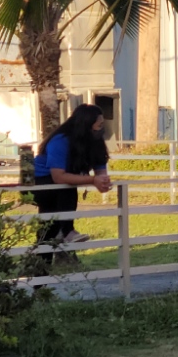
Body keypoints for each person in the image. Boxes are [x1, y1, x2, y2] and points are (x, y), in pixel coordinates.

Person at [30, 104, 111, 257]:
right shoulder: (60, 141)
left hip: (59, 186)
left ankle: (39, 272)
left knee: (48, 230)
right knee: (66, 186)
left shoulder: (96, 143)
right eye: (99, 125)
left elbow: (101, 170)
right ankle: (67, 231)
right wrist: (93, 180)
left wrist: (103, 181)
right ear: (86, 125)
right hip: (39, 181)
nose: (101, 128)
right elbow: (58, 176)